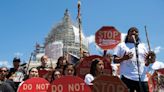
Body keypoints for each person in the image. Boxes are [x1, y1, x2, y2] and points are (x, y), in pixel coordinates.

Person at [113, 27, 155, 92]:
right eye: (132, 31)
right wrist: (124, 58)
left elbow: (146, 64)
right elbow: (114, 60)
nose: (134, 32)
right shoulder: (121, 45)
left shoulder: (143, 46)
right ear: (128, 34)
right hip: (127, 78)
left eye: (136, 31)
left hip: (142, 79)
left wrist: (149, 61)